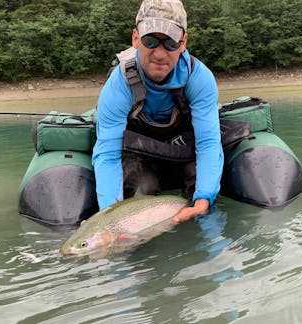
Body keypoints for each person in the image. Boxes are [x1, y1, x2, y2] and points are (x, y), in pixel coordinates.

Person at [92, 0, 223, 223]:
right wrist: (108, 218)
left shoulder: (199, 78)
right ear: (135, 38)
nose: (160, 54)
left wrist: (202, 202)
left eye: (170, 42)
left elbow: (209, 143)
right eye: (150, 40)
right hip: (140, 153)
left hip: (182, 149)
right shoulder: (119, 85)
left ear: (183, 43)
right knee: (143, 187)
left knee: (202, 195)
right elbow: (108, 153)